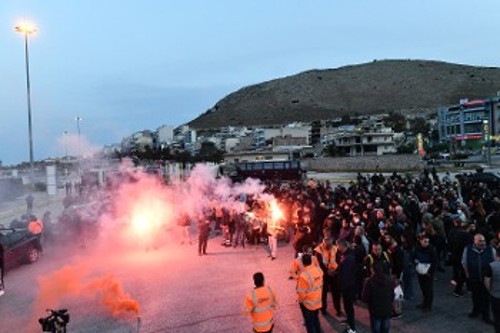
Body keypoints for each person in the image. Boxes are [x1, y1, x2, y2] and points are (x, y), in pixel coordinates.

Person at [462, 233, 496, 324]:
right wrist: (468, 276)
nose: (483, 243)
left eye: (484, 240)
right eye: (480, 241)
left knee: (486, 298)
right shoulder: (467, 249)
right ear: (475, 241)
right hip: (474, 278)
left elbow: (495, 263)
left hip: (487, 279)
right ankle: (476, 311)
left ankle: (486, 316)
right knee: (475, 296)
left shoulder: (490, 249)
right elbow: (464, 263)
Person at [363, 262, 395, 333]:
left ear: (373, 270)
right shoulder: (389, 280)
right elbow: (392, 295)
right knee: (385, 327)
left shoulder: (370, 282)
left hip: (375, 310)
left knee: (376, 328)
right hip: (387, 308)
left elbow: (365, 298)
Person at [314, 236, 341, 316]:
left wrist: (335, 271)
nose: (328, 246)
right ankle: (323, 309)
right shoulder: (319, 250)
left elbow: (338, 260)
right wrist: (327, 271)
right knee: (323, 293)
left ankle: (338, 309)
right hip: (324, 275)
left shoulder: (335, 249)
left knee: (336, 293)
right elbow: (319, 263)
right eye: (326, 244)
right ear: (323, 242)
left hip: (334, 274)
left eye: (329, 244)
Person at [297, 253, 323, 333]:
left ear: (302, 263)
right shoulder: (319, 270)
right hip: (318, 301)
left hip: (308, 304)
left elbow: (302, 294)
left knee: (310, 324)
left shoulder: (304, 276)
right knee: (316, 320)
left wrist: (300, 301)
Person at [336, 238, 358, 333]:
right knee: (347, 307)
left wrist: (342, 286)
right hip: (349, 285)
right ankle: (349, 321)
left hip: (348, 287)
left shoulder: (348, 258)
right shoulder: (346, 254)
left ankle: (352, 328)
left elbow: (346, 274)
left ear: (341, 245)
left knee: (348, 307)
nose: (337, 247)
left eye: (338, 245)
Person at [413, 234, 438, 312]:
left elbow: (435, 262)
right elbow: (413, 257)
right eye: (425, 242)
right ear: (420, 241)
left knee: (428, 289)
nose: (426, 243)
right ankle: (424, 303)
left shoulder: (431, 250)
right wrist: (415, 262)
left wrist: (430, 272)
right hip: (420, 271)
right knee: (423, 288)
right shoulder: (417, 248)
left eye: (427, 242)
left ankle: (428, 305)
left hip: (428, 273)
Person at [484, 248, 500, 332]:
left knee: (497, 317)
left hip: (496, 296)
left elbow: (486, 281)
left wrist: (490, 291)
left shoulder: (491, 265)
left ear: (497, 254)